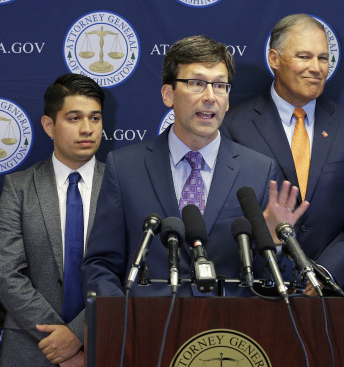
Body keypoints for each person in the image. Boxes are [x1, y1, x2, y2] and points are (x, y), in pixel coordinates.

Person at [82, 35, 307, 299]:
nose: (210, 97)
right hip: (147, 331)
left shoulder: (258, 171)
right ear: (168, 94)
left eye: (220, 86)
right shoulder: (125, 167)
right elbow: (101, 265)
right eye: (197, 83)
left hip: (230, 333)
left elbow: (270, 280)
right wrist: (125, 321)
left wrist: (274, 243)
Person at [222, 14, 344, 291]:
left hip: (327, 294)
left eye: (322, 58)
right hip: (255, 289)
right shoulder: (234, 125)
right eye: (304, 56)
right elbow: (223, 215)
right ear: (274, 59)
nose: (316, 68)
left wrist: (322, 273)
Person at [0, 73, 105, 367]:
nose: (87, 128)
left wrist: (78, 334)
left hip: (102, 361)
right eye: (74, 118)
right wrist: (62, 345)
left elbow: (126, 274)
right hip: (31, 360)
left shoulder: (121, 184)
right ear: (48, 125)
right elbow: (7, 274)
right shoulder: (19, 187)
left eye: (95, 117)